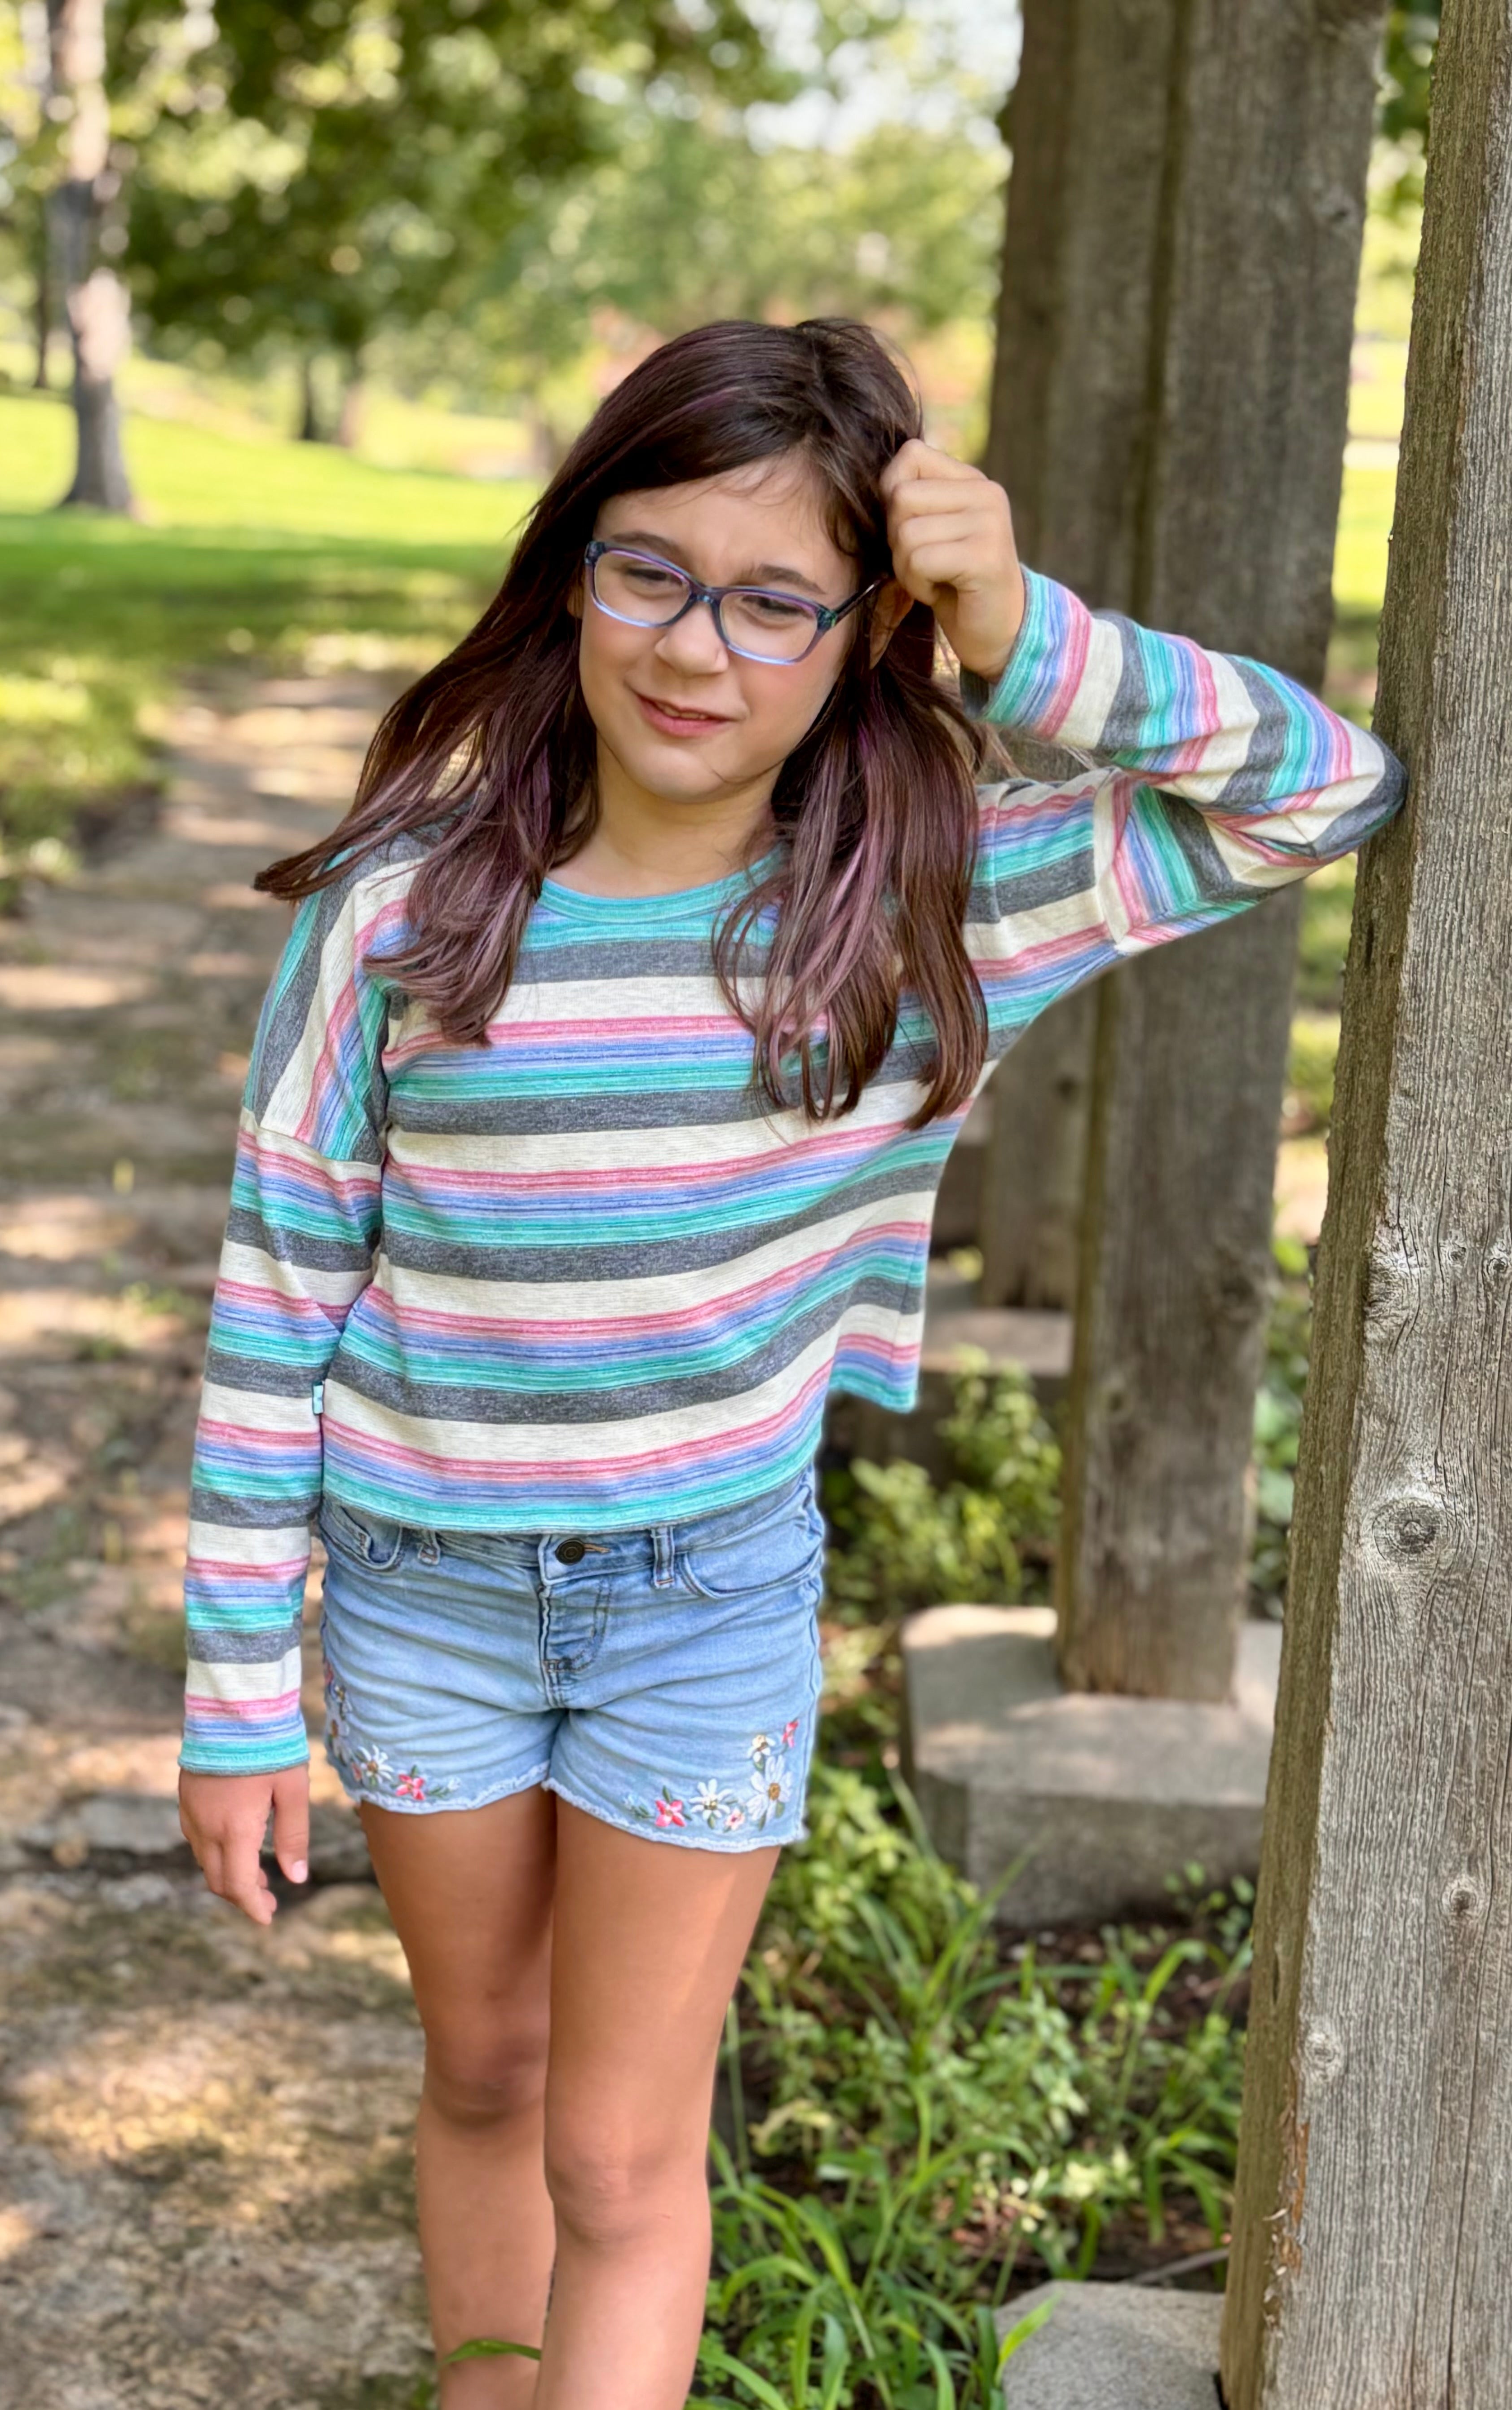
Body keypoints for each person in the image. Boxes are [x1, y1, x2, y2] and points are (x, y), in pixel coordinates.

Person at [174, 318, 1403, 2408]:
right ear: (573, 572)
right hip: (421, 1599)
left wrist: (1030, 630)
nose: (694, 650)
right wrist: (232, 1696)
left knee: (622, 2144)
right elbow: (280, 1294)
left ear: (865, 634)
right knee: (481, 2069)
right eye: (648, 572)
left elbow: (1323, 792)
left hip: (699, 1614)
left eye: (774, 603)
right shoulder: (402, 915)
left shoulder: (937, 909)